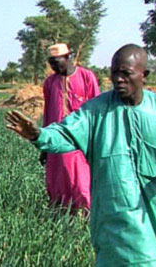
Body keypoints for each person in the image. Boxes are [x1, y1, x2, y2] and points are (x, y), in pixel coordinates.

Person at [6, 44, 156, 266]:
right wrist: (38, 135)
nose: (118, 79)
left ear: (143, 75)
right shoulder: (96, 110)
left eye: (125, 73)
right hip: (116, 211)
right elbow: (66, 132)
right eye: (114, 73)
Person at [41, 43, 99, 211]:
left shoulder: (86, 77)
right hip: (55, 138)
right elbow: (47, 112)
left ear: (67, 57)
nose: (53, 66)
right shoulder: (50, 83)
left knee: (81, 182)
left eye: (56, 61)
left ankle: (86, 216)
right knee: (56, 181)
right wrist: (44, 145)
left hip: (80, 141)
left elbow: (96, 109)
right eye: (50, 62)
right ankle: (61, 215)